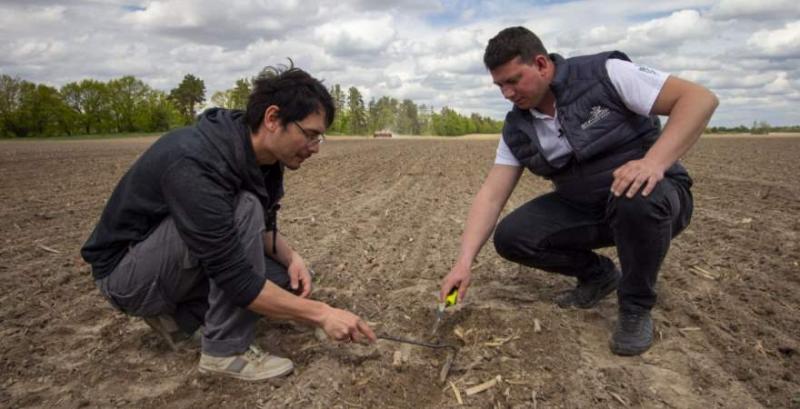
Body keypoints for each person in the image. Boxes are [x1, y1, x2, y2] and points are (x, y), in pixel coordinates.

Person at [81, 64, 376, 381]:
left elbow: (259, 227)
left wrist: (292, 257)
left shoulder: (261, 157)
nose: (315, 148)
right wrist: (321, 314)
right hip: (126, 276)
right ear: (273, 119)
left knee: (286, 281)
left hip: (169, 260)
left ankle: (181, 318)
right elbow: (236, 278)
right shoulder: (196, 162)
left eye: (320, 138)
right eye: (310, 135)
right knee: (245, 209)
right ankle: (224, 351)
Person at [439, 27, 718, 356]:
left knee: (636, 196)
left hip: (655, 198)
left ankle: (635, 307)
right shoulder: (517, 128)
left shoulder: (604, 75)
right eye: (500, 85)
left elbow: (700, 99)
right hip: (588, 208)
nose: (507, 94)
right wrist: (463, 262)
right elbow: (491, 195)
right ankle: (598, 275)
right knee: (512, 236)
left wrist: (653, 163)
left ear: (541, 64)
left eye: (513, 80)